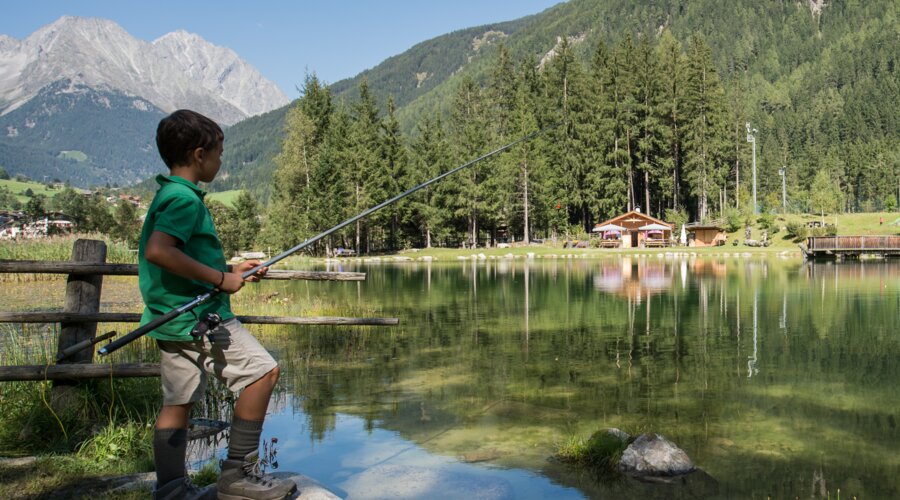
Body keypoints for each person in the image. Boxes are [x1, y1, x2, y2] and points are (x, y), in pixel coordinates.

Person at [141, 110, 296, 500]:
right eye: (219, 152)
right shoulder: (185, 200)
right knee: (263, 374)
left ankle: (172, 491)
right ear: (198, 155)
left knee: (178, 401)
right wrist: (220, 280)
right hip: (200, 319)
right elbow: (160, 251)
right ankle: (237, 476)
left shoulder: (167, 194)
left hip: (169, 319)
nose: (220, 160)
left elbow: (178, 256)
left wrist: (229, 269)